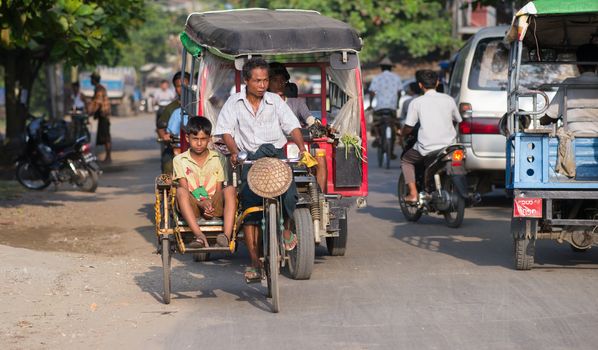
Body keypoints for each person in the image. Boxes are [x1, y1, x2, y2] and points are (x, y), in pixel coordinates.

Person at [214, 57, 312, 282]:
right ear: (246, 80)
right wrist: (235, 152)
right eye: (257, 81)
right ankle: (254, 263)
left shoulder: (276, 101)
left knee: (289, 194)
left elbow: (292, 126)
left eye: (265, 80)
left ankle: (286, 229)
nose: (262, 85)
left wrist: (301, 147)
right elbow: (226, 131)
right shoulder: (233, 102)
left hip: (275, 157)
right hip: (250, 160)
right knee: (250, 211)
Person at [173, 116, 236, 249]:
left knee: (230, 189)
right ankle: (199, 236)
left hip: (213, 205)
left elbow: (219, 189)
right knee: (180, 191)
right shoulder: (179, 160)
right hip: (192, 206)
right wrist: (201, 204)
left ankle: (226, 236)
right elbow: (185, 189)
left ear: (209, 139)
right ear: (187, 138)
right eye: (195, 139)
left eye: (203, 139)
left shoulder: (219, 158)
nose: (199, 143)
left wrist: (210, 205)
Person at [400, 70, 462, 203]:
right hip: (449, 147)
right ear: (437, 83)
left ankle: (413, 194)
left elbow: (409, 127)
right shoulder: (449, 99)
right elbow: (457, 120)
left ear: (420, 85)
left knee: (406, 160)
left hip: (427, 147)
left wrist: (402, 133)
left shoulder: (417, 102)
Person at [268, 62, 327, 191]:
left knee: (320, 158)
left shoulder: (297, 102)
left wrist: (322, 128)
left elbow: (309, 119)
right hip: (273, 147)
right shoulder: (263, 104)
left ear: (286, 83)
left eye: (282, 81)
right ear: (267, 83)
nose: (279, 84)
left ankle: (321, 198)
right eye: (274, 80)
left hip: (296, 146)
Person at [540, 43, 598, 135]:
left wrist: (542, 120)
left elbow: (551, 115)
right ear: (596, 65)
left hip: (572, 138)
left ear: (578, 65)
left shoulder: (568, 84)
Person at [156, 72, 190, 174]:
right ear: (175, 88)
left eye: (185, 86)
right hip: (177, 148)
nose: (182, 89)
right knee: (168, 166)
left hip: (197, 148)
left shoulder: (201, 104)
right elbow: (161, 127)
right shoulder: (171, 109)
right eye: (179, 86)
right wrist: (165, 136)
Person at [368, 57, 403, 156]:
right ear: (391, 68)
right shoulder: (396, 78)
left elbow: (371, 92)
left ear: (381, 68)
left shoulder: (377, 78)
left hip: (380, 107)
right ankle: (392, 143)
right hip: (392, 108)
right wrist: (397, 103)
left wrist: (371, 104)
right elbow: (400, 92)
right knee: (394, 125)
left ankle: (378, 137)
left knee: (375, 122)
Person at [87, 72, 112, 163]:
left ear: (94, 80)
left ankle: (108, 157)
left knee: (105, 137)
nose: (90, 81)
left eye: (91, 79)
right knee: (104, 137)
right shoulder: (98, 89)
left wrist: (90, 112)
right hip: (102, 116)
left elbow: (97, 103)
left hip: (104, 116)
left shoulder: (99, 89)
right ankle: (106, 157)